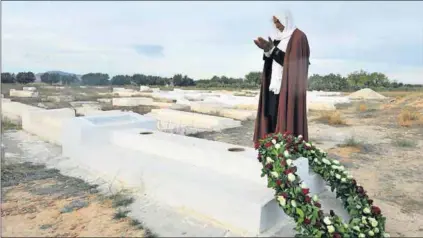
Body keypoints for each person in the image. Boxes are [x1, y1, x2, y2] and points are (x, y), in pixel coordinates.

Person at [253, 10, 310, 144]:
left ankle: (286, 150)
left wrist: (273, 50)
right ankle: (272, 150)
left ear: (286, 19)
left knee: (286, 117)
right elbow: (271, 60)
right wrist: (267, 50)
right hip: (274, 84)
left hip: (289, 87)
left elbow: (295, 64)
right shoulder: (277, 37)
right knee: (272, 115)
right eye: (274, 23)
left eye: (278, 21)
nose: (277, 25)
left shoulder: (298, 37)